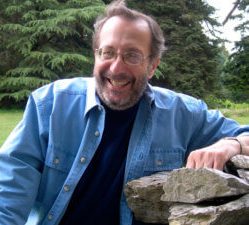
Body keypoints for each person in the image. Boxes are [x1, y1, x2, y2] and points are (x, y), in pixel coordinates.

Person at [0, 0, 249, 225]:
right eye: (107, 52)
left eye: (132, 55)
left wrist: (230, 144)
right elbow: (8, 194)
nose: (116, 68)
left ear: (152, 66)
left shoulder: (184, 114)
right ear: (95, 56)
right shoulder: (50, 105)